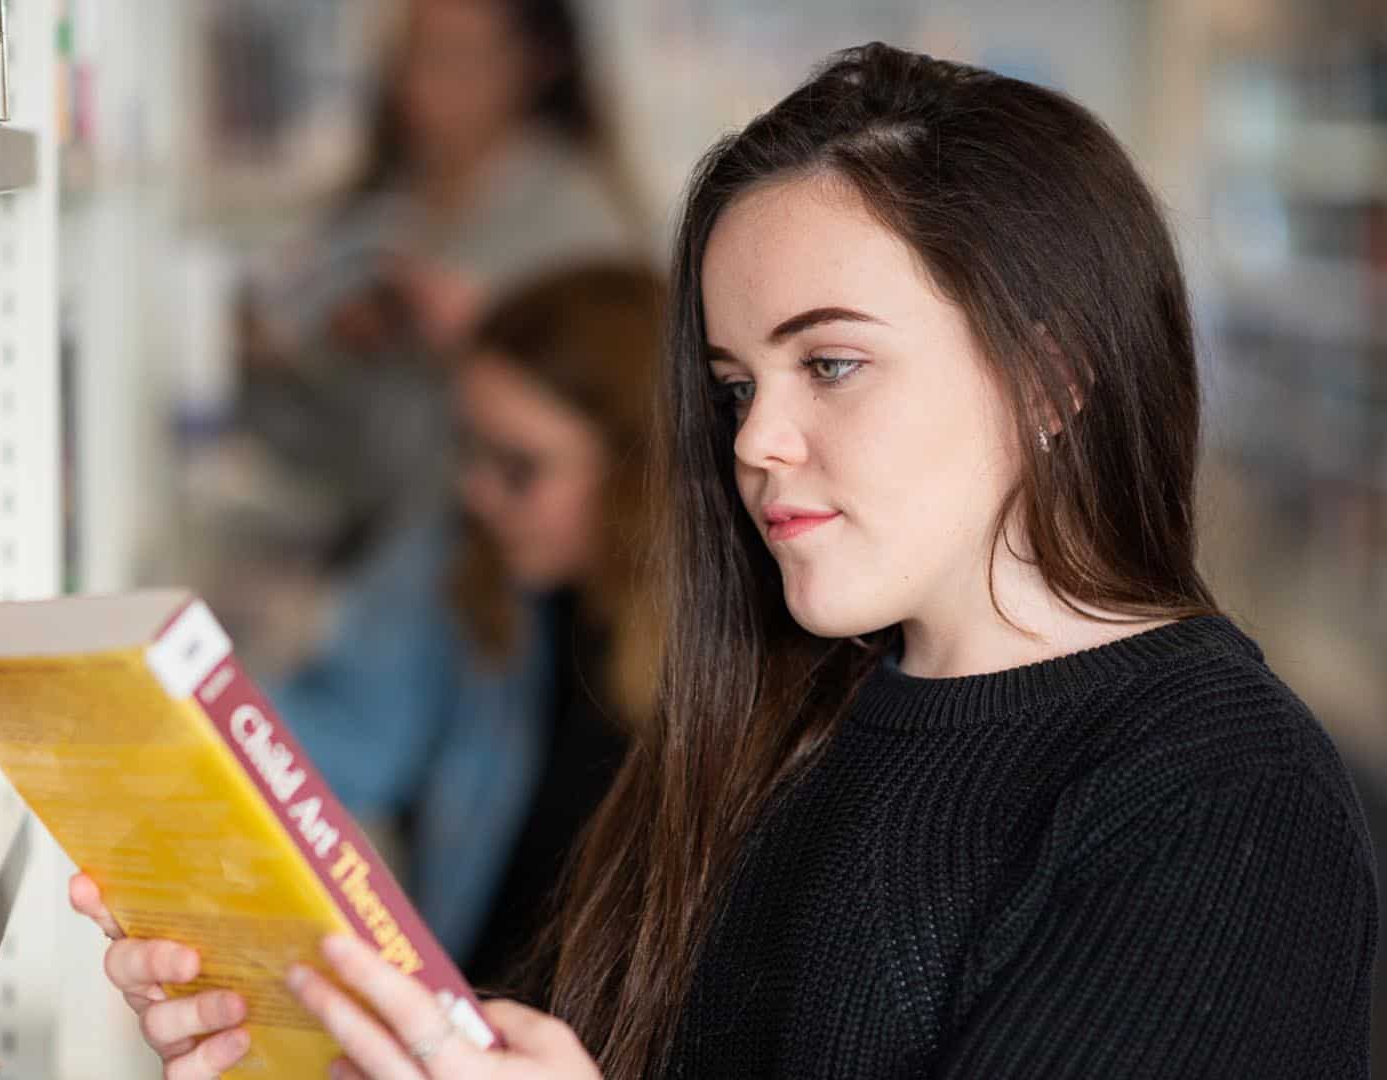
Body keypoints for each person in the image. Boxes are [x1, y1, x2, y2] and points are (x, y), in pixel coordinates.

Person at [73, 43, 1381, 1079]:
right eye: (735, 381)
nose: (756, 439)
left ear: (1049, 375)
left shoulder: (1222, 801)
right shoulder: (771, 717)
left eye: (832, 364)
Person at [267, 262, 665, 994]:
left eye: (519, 467)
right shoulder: (478, 575)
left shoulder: (722, 672)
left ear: (641, 470)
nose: (478, 492)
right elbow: (329, 746)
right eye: (469, 450)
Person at [226, 0, 646, 586]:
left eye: (455, 58)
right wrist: (284, 351)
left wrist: (482, 333)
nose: (421, 85)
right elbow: (329, 441)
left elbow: (628, 422)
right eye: (410, 56)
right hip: (384, 555)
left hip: (496, 576)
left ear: (538, 64)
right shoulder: (378, 210)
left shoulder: (584, 224)